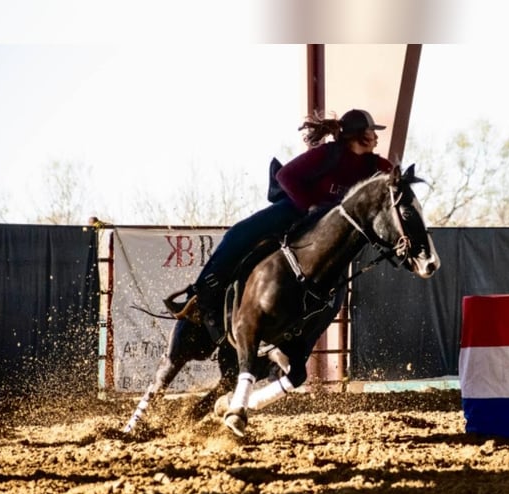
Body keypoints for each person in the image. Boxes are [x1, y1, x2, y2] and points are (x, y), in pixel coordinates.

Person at [163, 108, 394, 343]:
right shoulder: (328, 154)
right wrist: (310, 206)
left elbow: (395, 182)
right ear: (357, 135)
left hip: (329, 228)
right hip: (295, 211)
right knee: (238, 234)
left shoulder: (374, 165)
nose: (376, 137)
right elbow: (285, 176)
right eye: (371, 131)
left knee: (335, 289)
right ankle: (201, 297)